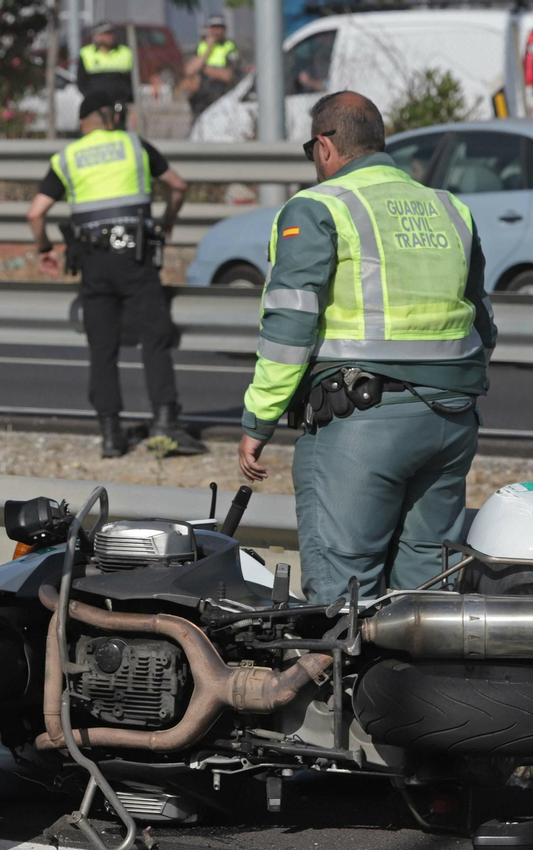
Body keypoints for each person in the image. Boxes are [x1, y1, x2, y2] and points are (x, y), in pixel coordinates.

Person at [237, 91, 497, 606]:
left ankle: (346, 664)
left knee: (344, 595)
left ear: (325, 146)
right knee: (427, 594)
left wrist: (258, 420)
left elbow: (290, 324)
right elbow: (482, 321)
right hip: (451, 421)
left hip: (361, 424)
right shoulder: (450, 208)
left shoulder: (319, 207)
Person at [26, 93, 201, 458]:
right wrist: (168, 221)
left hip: (94, 264)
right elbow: (179, 185)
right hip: (135, 259)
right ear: (112, 118)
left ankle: (110, 435)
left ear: (82, 124)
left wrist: (44, 249)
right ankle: (165, 425)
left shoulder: (68, 157)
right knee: (155, 338)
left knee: (102, 349)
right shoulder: (135, 146)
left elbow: (35, 213)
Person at [184, 13, 240, 118]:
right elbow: (189, 71)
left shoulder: (230, 47)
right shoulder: (202, 46)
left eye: (220, 27)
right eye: (214, 27)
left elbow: (229, 76)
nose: (217, 31)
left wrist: (202, 68)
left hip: (221, 97)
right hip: (201, 101)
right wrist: (208, 49)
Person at [76, 21, 134, 104]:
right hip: (96, 103)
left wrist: (127, 97)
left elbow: (132, 79)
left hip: (121, 102)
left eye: (112, 33)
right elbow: (82, 82)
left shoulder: (125, 52)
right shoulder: (86, 53)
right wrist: (91, 98)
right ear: (97, 36)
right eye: (107, 33)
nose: (111, 36)